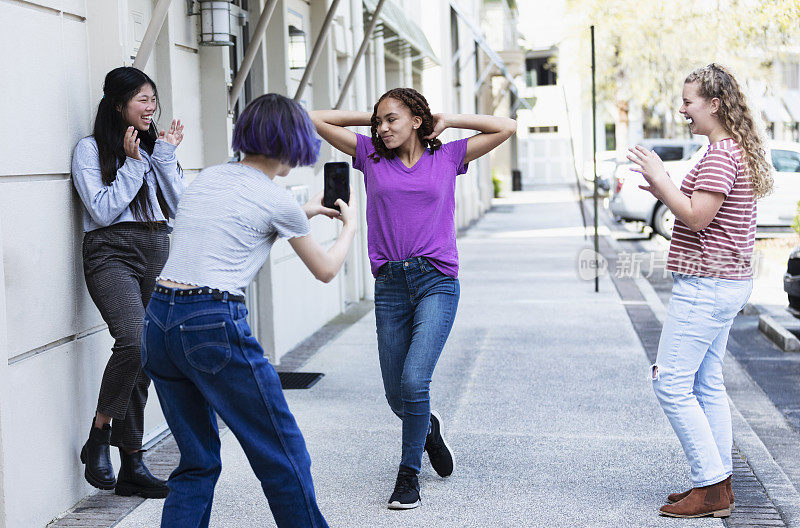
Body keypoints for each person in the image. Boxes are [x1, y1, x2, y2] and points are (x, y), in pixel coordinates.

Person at [142, 93, 355, 528]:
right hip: (211, 323)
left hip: (159, 321)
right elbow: (326, 270)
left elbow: (233, 226)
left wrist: (303, 211)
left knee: (197, 461)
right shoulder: (275, 201)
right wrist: (351, 228)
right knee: (282, 453)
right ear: (294, 141)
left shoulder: (208, 178)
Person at [310, 88, 516, 509]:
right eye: (378, 121)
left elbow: (507, 126)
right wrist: (370, 117)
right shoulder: (370, 154)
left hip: (436, 280)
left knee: (413, 380)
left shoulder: (448, 156)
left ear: (418, 121)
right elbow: (314, 119)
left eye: (392, 120)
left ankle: (408, 476)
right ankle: (428, 430)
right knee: (394, 395)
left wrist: (449, 118)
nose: (382, 128)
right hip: (390, 285)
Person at [628, 63, 773, 518]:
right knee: (707, 383)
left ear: (714, 104)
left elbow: (695, 217)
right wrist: (660, 184)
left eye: (688, 101)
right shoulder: (731, 152)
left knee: (669, 382)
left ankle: (709, 485)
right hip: (723, 282)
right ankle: (720, 483)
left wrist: (660, 176)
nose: (682, 109)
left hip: (707, 285)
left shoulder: (719, 156)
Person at [72, 66, 186, 498]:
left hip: (158, 249)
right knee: (134, 341)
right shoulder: (89, 150)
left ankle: (132, 463)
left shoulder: (156, 149)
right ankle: (100, 433)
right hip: (111, 252)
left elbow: (179, 207)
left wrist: (164, 158)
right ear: (118, 105)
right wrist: (133, 167)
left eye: (153, 99)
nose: (151, 107)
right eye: (142, 99)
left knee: (148, 356)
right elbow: (101, 210)